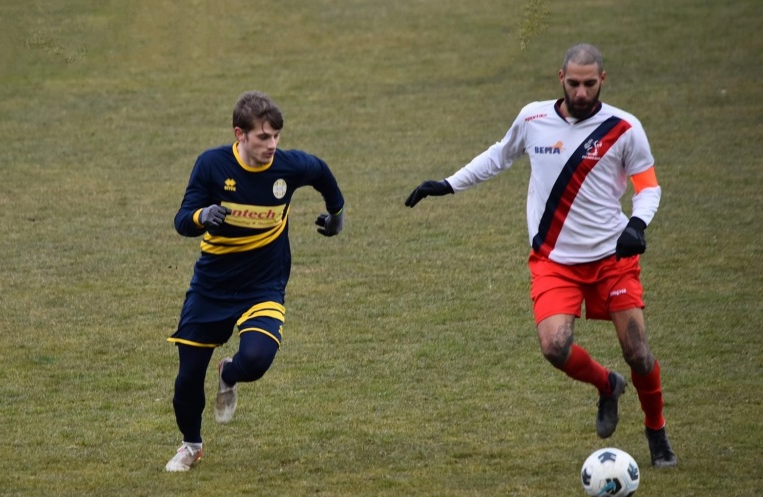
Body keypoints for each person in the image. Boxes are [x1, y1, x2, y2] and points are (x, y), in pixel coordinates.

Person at [404, 43, 677, 468]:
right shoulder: (533, 119)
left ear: (603, 80)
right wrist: (448, 184)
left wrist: (637, 224)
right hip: (555, 261)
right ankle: (607, 385)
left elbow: (648, 185)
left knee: (638, 352)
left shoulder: (624, 128)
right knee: (554, 346)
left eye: (590, 84)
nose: (582, 92)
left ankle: (656, 431)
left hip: (612, 258)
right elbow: (499, 156)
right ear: (560, 78)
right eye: (574, 83)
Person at [165, 91, 346, 472]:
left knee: (257, 360)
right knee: (187, 379)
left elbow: (321, 172)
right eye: (263, 137)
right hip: (212, 286)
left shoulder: (288, 167)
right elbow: (182, 220)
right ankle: (191, 445)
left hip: (263, 284)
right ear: (240, 134)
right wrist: (202, 216)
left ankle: (228, 373)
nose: (272, 145)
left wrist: (336, 216)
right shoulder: (212, 165)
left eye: (276, 136)